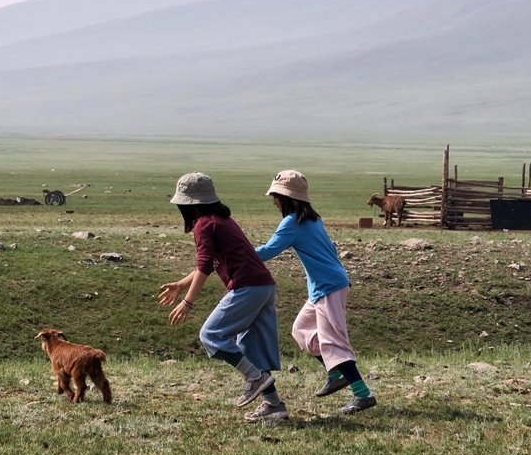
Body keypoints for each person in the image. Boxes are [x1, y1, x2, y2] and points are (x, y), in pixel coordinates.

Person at [158, 172, 289, 423]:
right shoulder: (222, 220)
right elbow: (208, 264)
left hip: (247, 287)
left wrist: (188, 302)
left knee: (210, 335)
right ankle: (274, 405)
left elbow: (204, 264)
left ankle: (255, 378)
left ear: (188, 204)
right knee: (250, 347)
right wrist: (181, 285)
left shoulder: (203, 224)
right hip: (264, 287)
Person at [254, 170, 377, 414]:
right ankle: (336, 374)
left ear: (286, 198)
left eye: (276, 196)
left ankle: (363, 394)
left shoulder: (292, 222)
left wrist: (236, 254)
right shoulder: (312, 219)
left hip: (328, 286)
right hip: (325, 285)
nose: (274, 201)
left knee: (334, 341)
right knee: (301, 330)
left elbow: (268, 251)